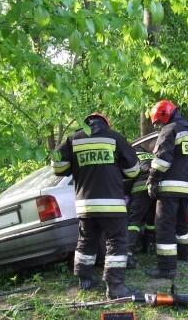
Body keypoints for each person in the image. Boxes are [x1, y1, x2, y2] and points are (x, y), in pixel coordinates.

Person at [51, 112, 141, 298]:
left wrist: (76, 165)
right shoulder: (115, 137)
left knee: (86, 240)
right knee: (116, 242)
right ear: (106, 123)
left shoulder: (73, 139)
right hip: (112, 205)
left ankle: (85, 280)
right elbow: (133, 171)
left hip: (86, 206)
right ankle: (115, 287)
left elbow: (57, 167)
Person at [145, 100, 188, 279]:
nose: (159, 126)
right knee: (181, 223)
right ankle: (184, 254)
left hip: (169, 187)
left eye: (159, 122)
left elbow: (161, 160)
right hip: (186, 187)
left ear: (163, 115)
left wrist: (152, 179)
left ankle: (166, 268)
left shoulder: (170, 130)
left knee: (164, 225)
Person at [126, 146, 157, 269]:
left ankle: (128, 253)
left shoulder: (132, 156)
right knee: (151, 219)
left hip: (141, 187)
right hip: (157, 187)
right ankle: (148, 247)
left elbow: (128, 174)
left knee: (134, 221)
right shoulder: (151, 156)